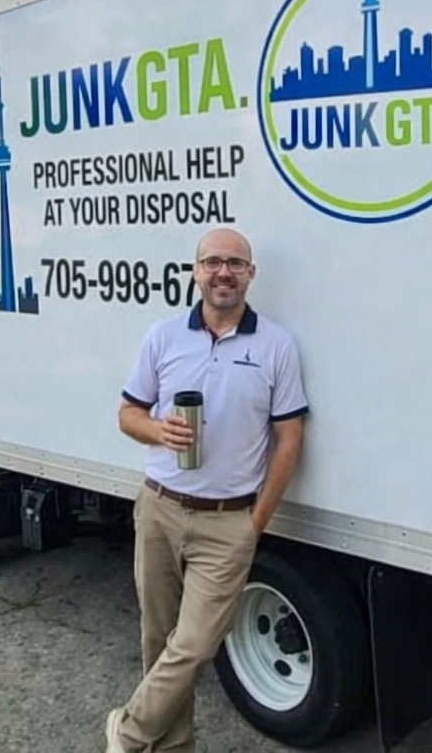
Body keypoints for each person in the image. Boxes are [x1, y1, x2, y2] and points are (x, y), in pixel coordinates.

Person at [104, 227, 310, 753]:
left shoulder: (276, 346)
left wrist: (254, 523)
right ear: (195, 271)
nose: (224, 272)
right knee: (158, 642)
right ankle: (172, 747)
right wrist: (158, 429)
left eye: (235, 264)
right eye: (213, 262)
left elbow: (289, 441)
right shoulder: (164, 337)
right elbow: (128, 414)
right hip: (159, 509)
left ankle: (126, 735)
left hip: (228, 523)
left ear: (250, 274)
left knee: (193, 646)